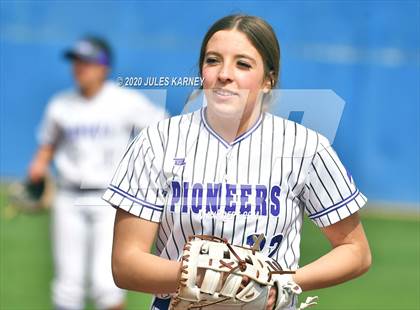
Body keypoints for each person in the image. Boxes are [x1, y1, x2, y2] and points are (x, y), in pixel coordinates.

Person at [102, 15, 371, 310]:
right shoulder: (158, 141)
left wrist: (285, 280)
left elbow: (355, 251)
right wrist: (205, 277)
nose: (225, 74)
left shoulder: (306, 146)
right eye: (213, 60)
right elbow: (125, 264)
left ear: (269, 79)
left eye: (243, 64)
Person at [28, 36, 168, 310]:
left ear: (104, 67)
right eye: (77, 62)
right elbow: (48, 143)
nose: (80, 67)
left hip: (109, 199)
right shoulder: (61, 104)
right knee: (67, 286)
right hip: (68, 197)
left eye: (87, 62)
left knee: (106, 284)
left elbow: (162, 130)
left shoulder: (124, 101)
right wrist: (38, 167)